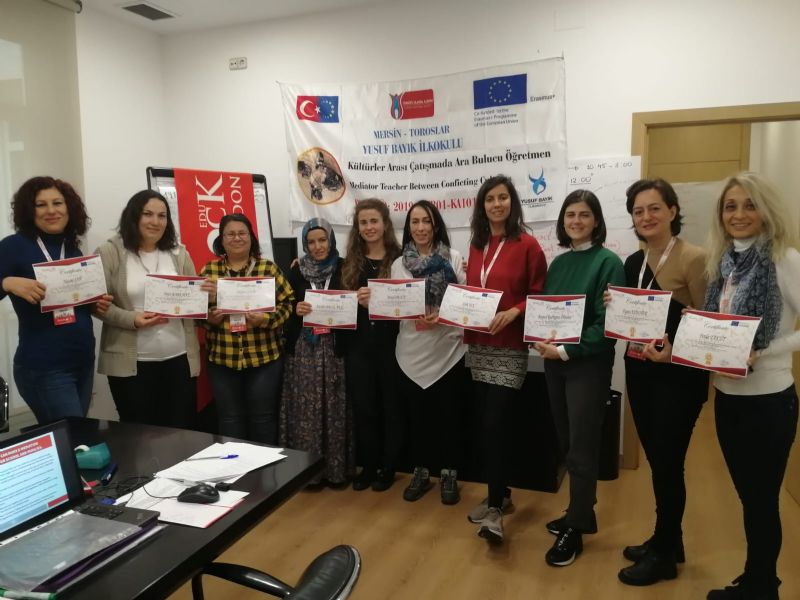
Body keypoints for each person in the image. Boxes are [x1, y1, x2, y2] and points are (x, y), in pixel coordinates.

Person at [703, 173, 799, 600]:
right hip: (728, 398)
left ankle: (763, 587)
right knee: (749, 498)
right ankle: (756, 580)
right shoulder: (722, 263)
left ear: (766, 210)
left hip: (769, 401)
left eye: (749, 205)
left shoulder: (785, 259)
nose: (739, 214)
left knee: (761, 501)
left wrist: (765, 351)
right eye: (730, 206)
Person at [613, 178, 709, 586]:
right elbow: (632, 319)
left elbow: (709, 326)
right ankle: (669, 538)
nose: (646, 217)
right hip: (641, 372)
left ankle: (665, 556)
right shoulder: (634, 262)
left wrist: (675, 352)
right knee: (658, 461)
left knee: (669, 464)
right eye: (638, 211)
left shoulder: (695, 258)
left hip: (679, 378)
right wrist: (615, 307)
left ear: (672, 211)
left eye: (654, 208)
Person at [533, 190, 625, 566]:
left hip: (586, 364)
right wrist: (541, 338)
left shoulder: (608, 262)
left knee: (583, 446)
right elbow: (548, 313)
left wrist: (566, 350)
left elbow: (609, 326)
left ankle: (576, 526)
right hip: (555, 363)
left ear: (596, 221)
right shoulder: (559, 263)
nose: (576, 221)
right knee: (568, 441)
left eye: (584, 215)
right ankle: (581, 512)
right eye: (570, 215)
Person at [464, 175, 547, 543]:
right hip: (479, 347)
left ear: (512, 203)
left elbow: (539, 294)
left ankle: (495, 509)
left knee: (496, 426)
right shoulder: (477, 245)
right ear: (482, 206)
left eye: (503, 198)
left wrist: (515, 312)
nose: (496, 204)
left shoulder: (528, 245)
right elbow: (473, 290)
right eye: (490, 199)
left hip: (510, 347)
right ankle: (503, 493)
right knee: (485, 428)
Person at [0, 176, 109, 424]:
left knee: (76, 437)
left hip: (82, 361)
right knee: (71, 436)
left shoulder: (71, 248)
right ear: (29, 210)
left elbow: (69, 301)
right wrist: (7, 282)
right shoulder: (13, 246)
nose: (51, 210)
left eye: (57, 203)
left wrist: (93, 304)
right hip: (45, 368)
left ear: (69, 208)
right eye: (41, 204)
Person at [96, 190, 203, 429]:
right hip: (132, 366)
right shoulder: (110, 252)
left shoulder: (178, 252)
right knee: (138, 434)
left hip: (179, 361)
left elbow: (194, 299)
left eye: (162, 216)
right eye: (148, 214)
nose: (155, 221)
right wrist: (131, 319)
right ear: (133, 216)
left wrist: (206, 294)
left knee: (183, 431)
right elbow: (97, 305)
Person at [392, 200, 468, 505]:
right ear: (408, 227)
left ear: (435, 225)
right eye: (415, 222)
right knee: (418, 418)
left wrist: (443, 315)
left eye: (426, 221)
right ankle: (421, 471)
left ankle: (449, 473)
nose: (421, 227)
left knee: (450, 416)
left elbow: (464, 301)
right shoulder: (398, 264)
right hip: (411, 351)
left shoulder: (454, 258)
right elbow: (393, 306)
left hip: (448, 349)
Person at [201, 214, 294, 444]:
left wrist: (265, 319)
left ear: (251, 237)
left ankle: (265, 467)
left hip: (264, 359)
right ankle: (234, 466)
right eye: (230, 234)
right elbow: (196, 312)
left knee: (263, 419)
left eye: (242, 233)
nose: (237, 238)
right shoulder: (209, 271)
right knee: (229, 420)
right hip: (223, 360)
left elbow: (288, 304)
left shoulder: (267, 268)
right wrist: (209, 319)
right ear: (221, 240)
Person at [280, 217, 352, 484]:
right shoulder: (296, 271)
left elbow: (355, 304)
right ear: (304, 244)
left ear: (331, 240)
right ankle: (308, 473)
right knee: (306, 410)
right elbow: (284, 307)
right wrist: (295, 310)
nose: (318, 246)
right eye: (311, 242)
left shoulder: (346, 268)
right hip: (304, 351)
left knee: (334, 408)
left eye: (322, 240)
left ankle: (336, 471)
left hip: (335, 349)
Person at [341, 198, 404, 492]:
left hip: (393, 346)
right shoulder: (349, 262)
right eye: (363, 222)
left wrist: (377, 301)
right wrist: (354, 301)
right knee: (364, 408)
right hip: (359, 347)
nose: (369, 227)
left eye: (374, 221)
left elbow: (408, 302)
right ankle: (368, 466)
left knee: (391, 408)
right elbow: (337, 303)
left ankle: (388, 467)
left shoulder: (401, 259)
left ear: (385, 224)